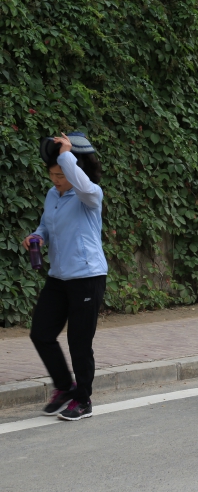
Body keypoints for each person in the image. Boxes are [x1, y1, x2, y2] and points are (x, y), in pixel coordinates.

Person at [24, 132, 108, 421]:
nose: (56, 180)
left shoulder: (90, 194)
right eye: (52, 174)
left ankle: (83, 401)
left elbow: (82, 184)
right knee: (41, 333)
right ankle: (65, 387)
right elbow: (46, 226)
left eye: (61, 174)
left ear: (74, 169)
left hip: (87, 276)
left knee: (79, 342)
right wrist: (36, 236)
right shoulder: (53, 195)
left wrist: (66, 155)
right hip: (59, 277)